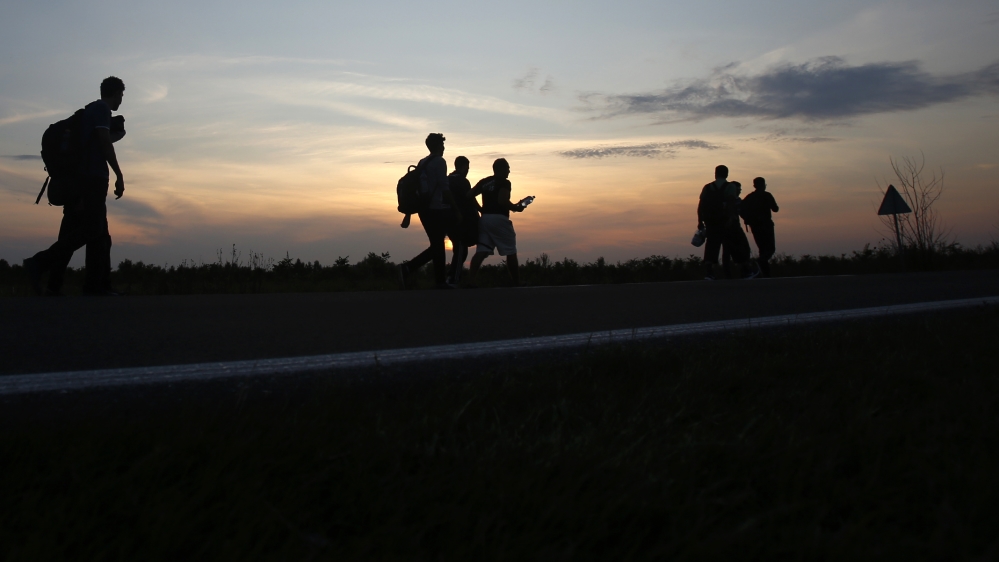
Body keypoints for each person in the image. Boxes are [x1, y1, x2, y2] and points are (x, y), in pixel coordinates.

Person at [23, 76, 127, 296]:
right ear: (116, 92)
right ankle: (39, 263)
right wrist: (119, 173)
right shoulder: (101, 110)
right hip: (91, 179)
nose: (121, 100)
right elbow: (104, 141)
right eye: (121, 95)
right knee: (92, 229)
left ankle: (91, 286)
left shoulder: (91, 111)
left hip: (83, 178)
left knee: (95, 232)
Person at [398, 133, 463, 289]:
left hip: (423, 209)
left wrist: (409, 213)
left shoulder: (422, 162)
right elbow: (444, 187)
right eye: (443, 145)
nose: (444, 148)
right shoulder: (439, 162)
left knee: (437, 244)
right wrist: (456, 209)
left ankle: (437, 280)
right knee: (437, 245)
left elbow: (416, 190)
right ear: (439, 146)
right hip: (435, 209)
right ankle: (409, 268)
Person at [466, 158, 526, 286]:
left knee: (481, 251)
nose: (509, 171)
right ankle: (517, 282)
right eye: (507, 168)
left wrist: (480, 209)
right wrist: (516, 208)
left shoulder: (484, 182)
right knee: (510, 251)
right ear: (501, 169)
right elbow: (502, 200)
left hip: (485, 219)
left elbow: (469, 195)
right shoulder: (504, 182)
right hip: (499, 219)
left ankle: (470, 282)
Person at [697, 165, 758, 280]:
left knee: (711, 246)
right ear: (727, 174)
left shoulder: (707, 187)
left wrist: (700, 221)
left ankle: (709, 273)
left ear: (715, 174)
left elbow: (701, 205)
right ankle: (746, 270)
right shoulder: (730, 187)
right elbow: (731, 203)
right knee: (734, 245)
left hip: (711, 222)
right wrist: (730, 218)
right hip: (725, 222)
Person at [446, 156, 480, 285]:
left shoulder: (448, 179)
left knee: (460, 249)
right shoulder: (463, 181)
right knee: (460, 248)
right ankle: (453, 278)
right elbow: (470, 198)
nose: (468, 170)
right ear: (464, 166)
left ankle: (454, 276)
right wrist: (480, 211)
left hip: (447, 219)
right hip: (459, 221)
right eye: (468, 167)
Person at [740, 177, 780, 277]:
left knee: (762, 249)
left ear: (754, 185)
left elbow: (741, 209)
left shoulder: (749, 197)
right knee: (770, 249)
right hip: (766, 225)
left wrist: (747, 219)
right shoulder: (767, 195)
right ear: (764, 185)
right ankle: (761, 263)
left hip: (755, 226)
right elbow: (775, 209)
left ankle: (766, 273)